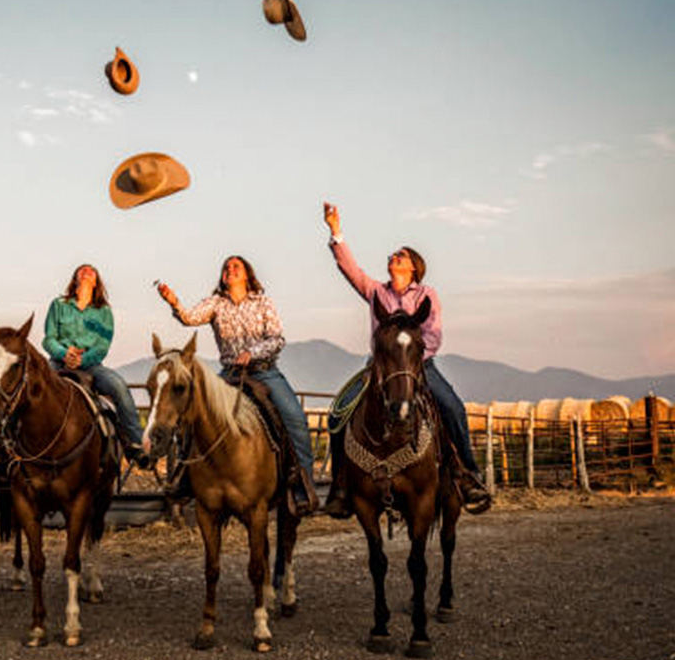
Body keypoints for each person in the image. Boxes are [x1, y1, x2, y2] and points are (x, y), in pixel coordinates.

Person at [321, 201, 491, 516]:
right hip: (380, 368)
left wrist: (410, 362)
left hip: (419, 366)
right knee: (337, 415)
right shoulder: (376, 291)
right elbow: (350, 270)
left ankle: (468, 474)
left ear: (414, 267)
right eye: (392, 255)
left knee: (453, 408)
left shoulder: (426, 295)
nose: (393, 257)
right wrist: (335, 231)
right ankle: (341, 486)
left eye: (401, 255)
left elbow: (433, 335)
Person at [156, 256, 319, 516]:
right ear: (223, 277)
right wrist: (174, 302)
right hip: (230, 374)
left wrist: (253, 353)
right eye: (226, 267)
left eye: (236, 267)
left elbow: (277, 338)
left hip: (264, 372)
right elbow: (189, 318)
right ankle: (185, 477)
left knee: (295, 418)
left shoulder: (263, 302)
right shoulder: (215, 303)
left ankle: (302, 486)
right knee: (195, 414)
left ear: (246, 275)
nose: (230, 269)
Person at [42, 264, 146, 466]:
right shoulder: (58, 305)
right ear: (75, 278)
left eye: (91, 271)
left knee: (118, 386)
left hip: (91, 365)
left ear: (96, 282)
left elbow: (102, 346)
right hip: (58, 362)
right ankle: (10, 443)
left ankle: (136, 444)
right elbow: (49, 339)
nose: (86, 271)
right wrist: (65, 354)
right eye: (82, 270)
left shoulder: (104, 312)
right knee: (34, 388)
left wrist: (82, 360)